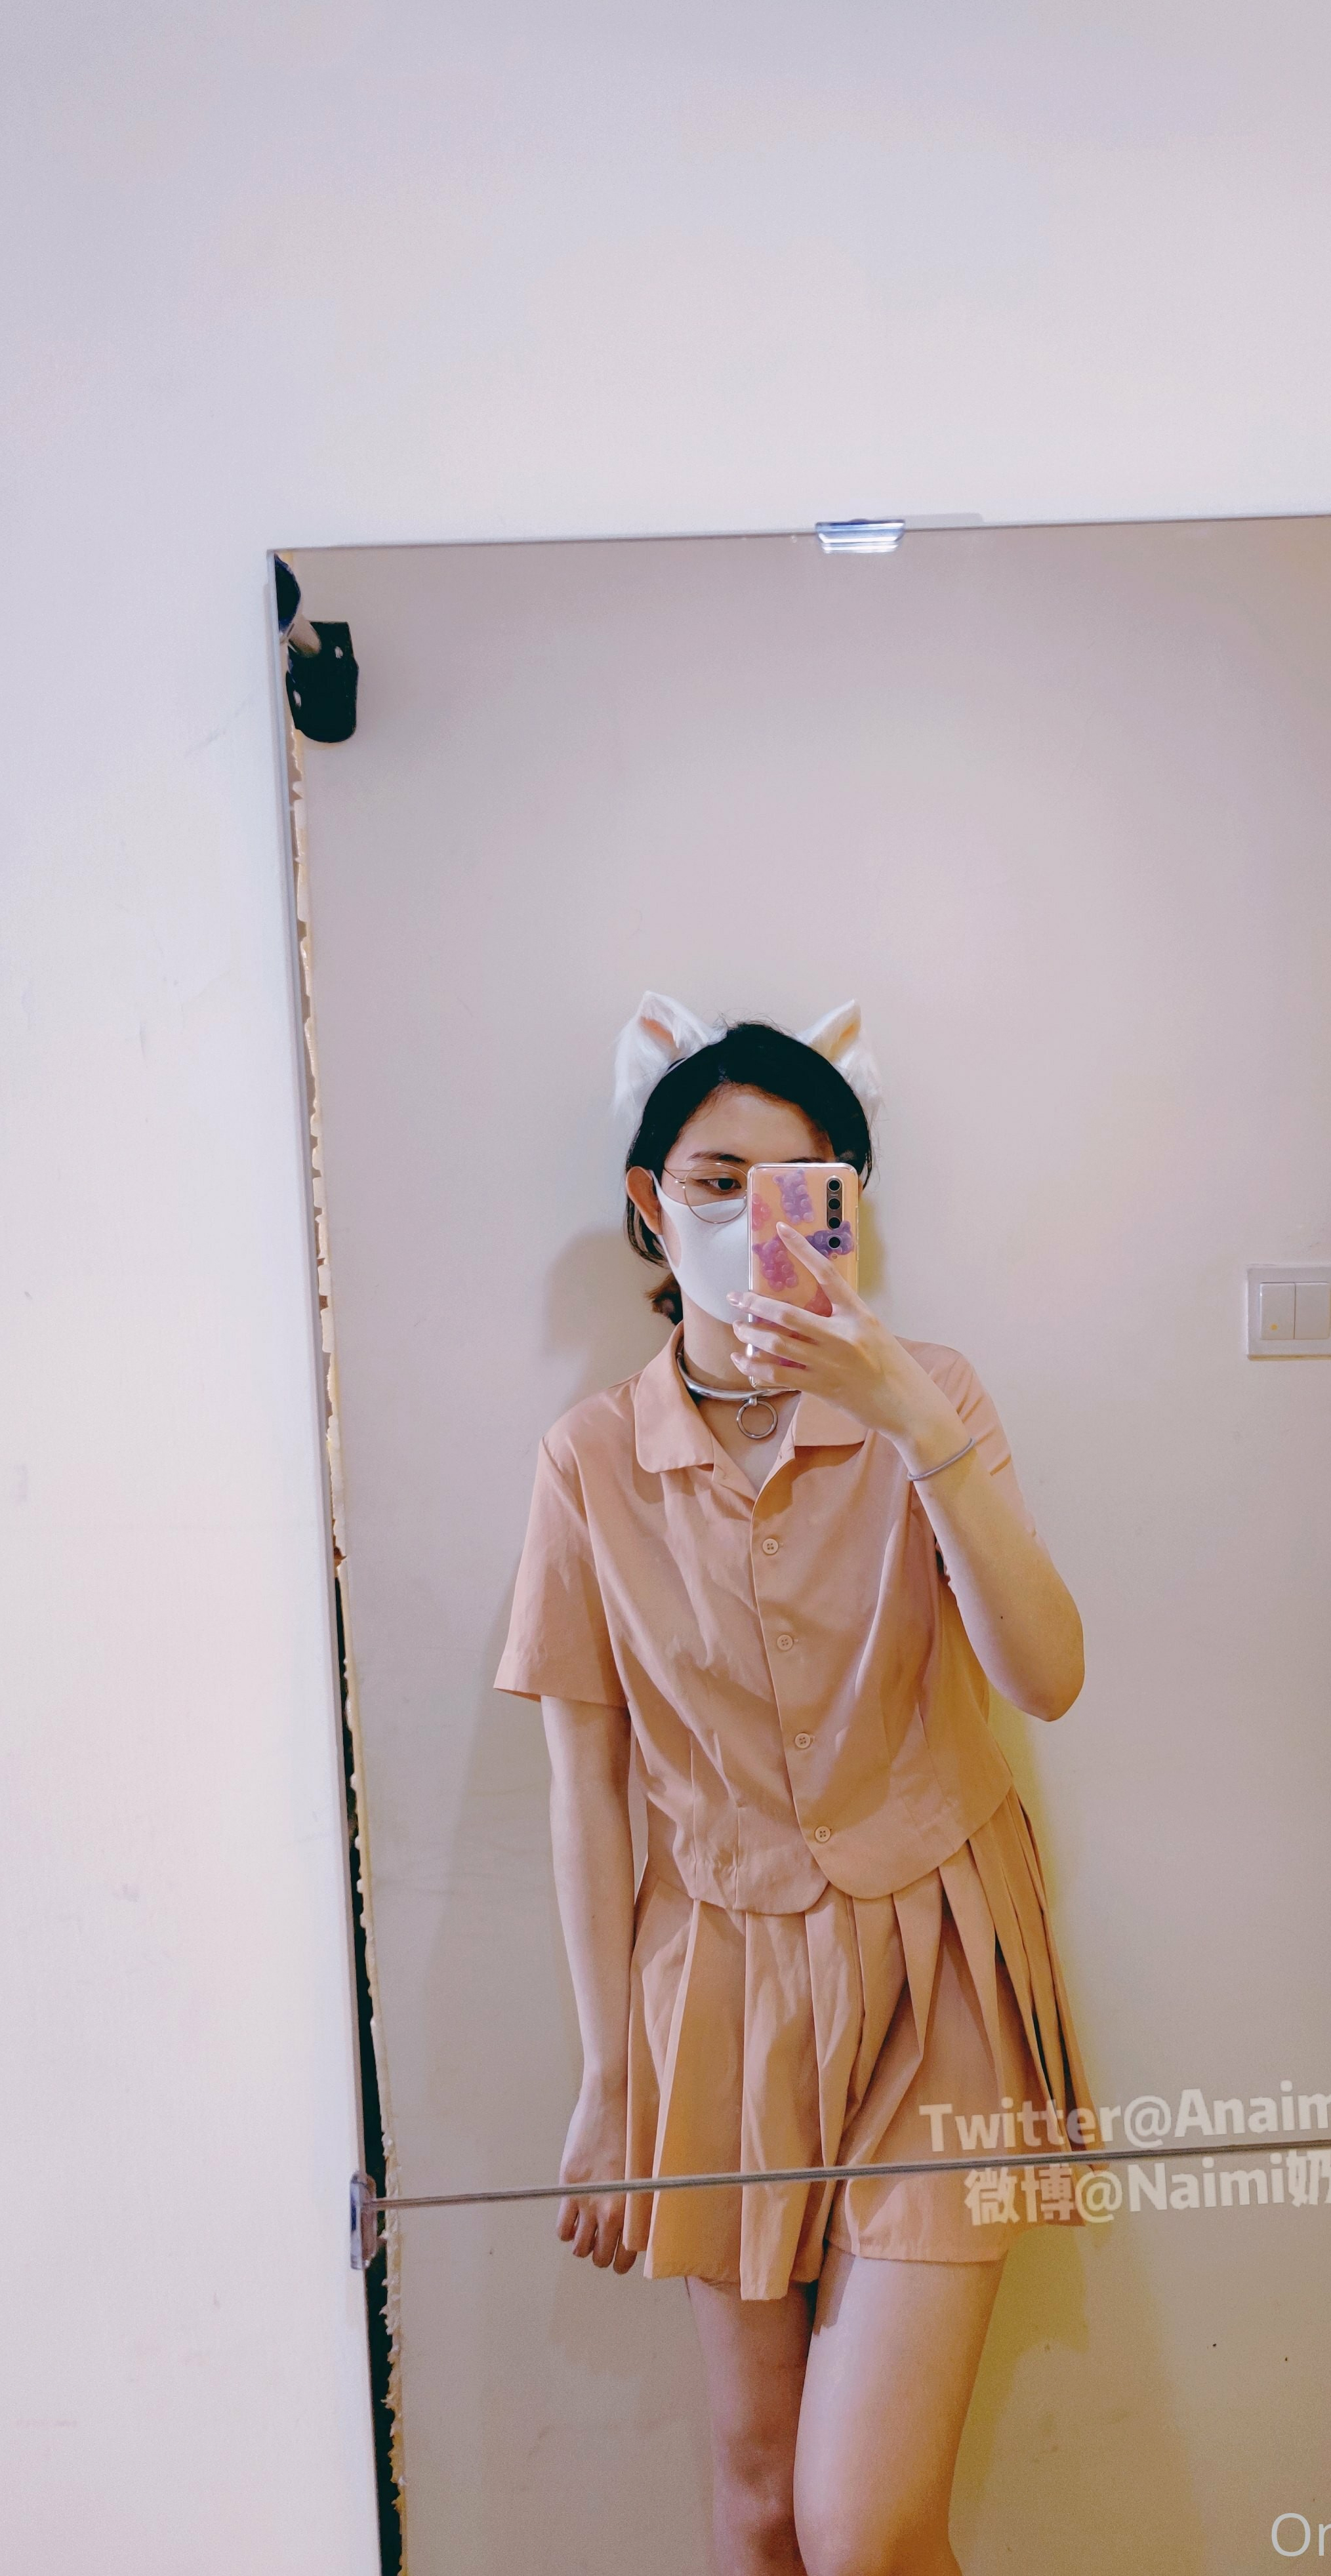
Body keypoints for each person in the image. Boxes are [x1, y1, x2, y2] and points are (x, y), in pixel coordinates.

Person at [495, 999, 1092, 2576]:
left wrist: (909, 1415)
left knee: (864, 2525)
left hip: (938, 1962)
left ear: (846, 1209)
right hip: (717, 1990)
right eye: (715, 1180)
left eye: (799, 1185)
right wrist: (608, 2082)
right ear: (650, 1201)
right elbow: (586, 1789)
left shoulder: (930, 1397)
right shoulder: (589, 1461)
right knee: (762, 2513)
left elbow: (1046, 1677)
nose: (749, 1216)